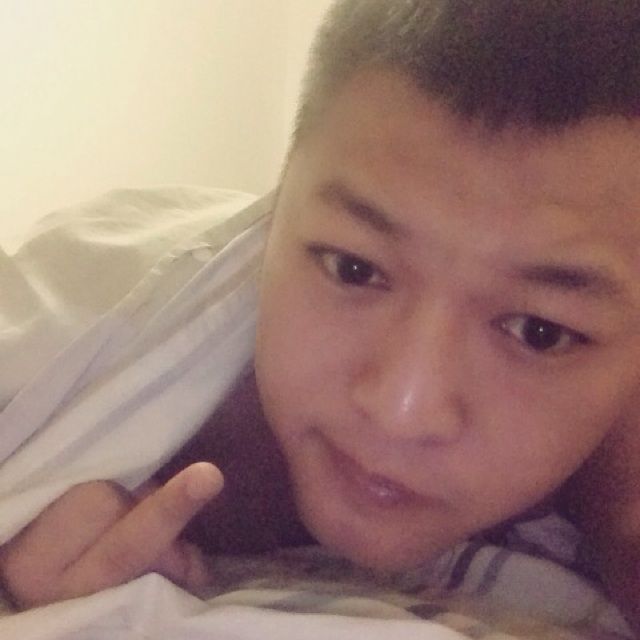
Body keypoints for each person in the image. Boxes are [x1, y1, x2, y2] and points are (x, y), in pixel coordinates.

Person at [1, 0, 640, 631]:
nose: (402, 410)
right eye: (353, 269)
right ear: (273, 210)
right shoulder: (55, 329)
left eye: (539, 333)